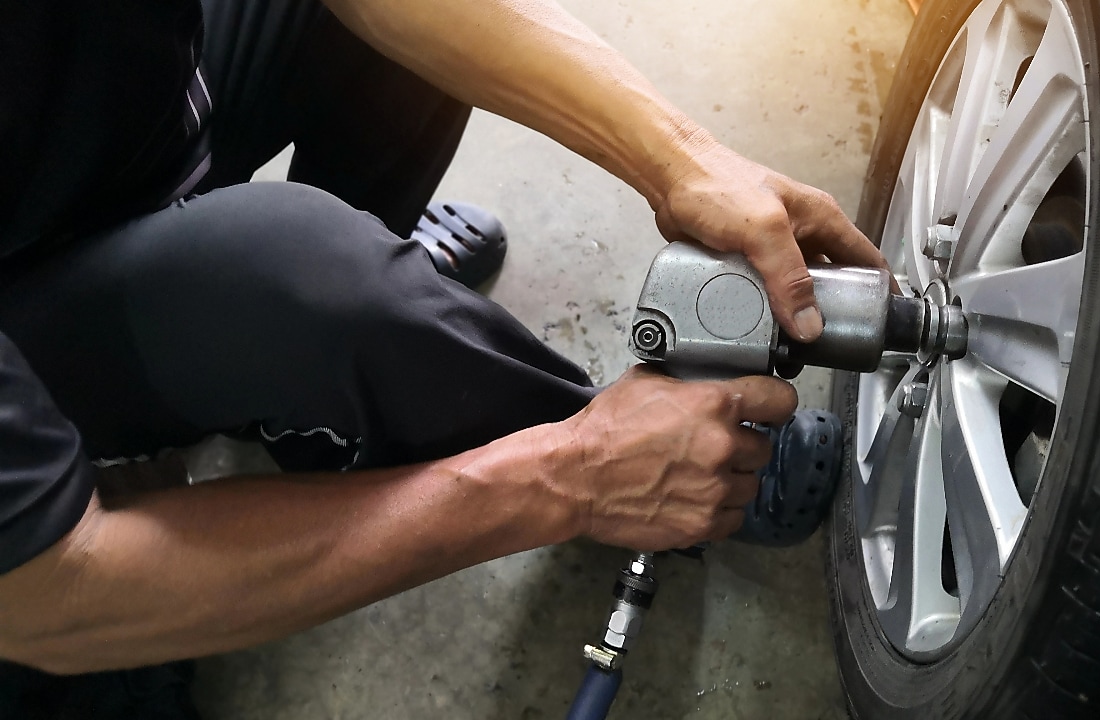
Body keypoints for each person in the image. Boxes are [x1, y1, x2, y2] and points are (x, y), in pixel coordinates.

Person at [0, 0, 888, 715]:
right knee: (296, 271)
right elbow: (54, 594)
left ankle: (328, 384)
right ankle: (613, 459)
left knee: (372, 81)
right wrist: (574, 475)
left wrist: (680, 160)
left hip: (100, 130)